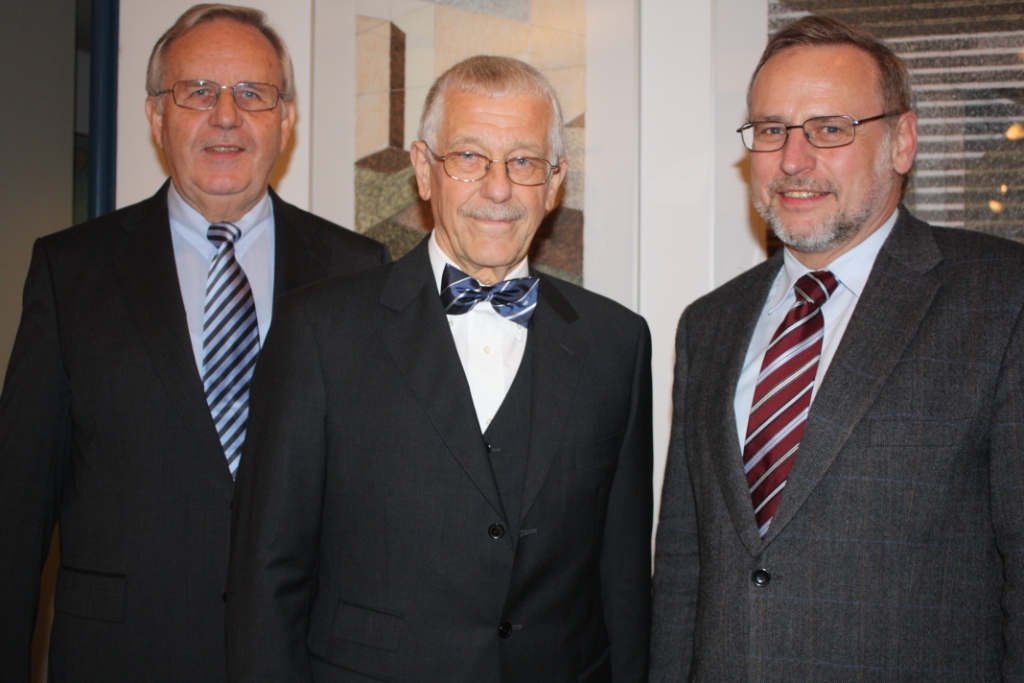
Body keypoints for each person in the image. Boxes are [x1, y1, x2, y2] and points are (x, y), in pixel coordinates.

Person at [225, 55, 653, 683]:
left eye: (524, 162)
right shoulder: (319, 332)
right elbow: (268, 574)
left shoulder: (619, 343)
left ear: (555, 182)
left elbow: (623, 584)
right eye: (471, 157)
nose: (499, 188)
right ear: (425, 170)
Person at [0, 4, 388, 680]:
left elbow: (378, 503)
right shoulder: (71, 271)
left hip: (301, 660)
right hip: (121, 658)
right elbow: (15, 512)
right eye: (197, 91)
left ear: (285, 120)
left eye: (252, 93)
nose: (226, 115)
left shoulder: (358, 270)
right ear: (156, 115)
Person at [650, 15, 1024, 683]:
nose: (793, 160)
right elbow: (685, 567)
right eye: (771, 130)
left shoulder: (1001, 299)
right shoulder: (708, 324)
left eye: (829, 129)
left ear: (902, 141)